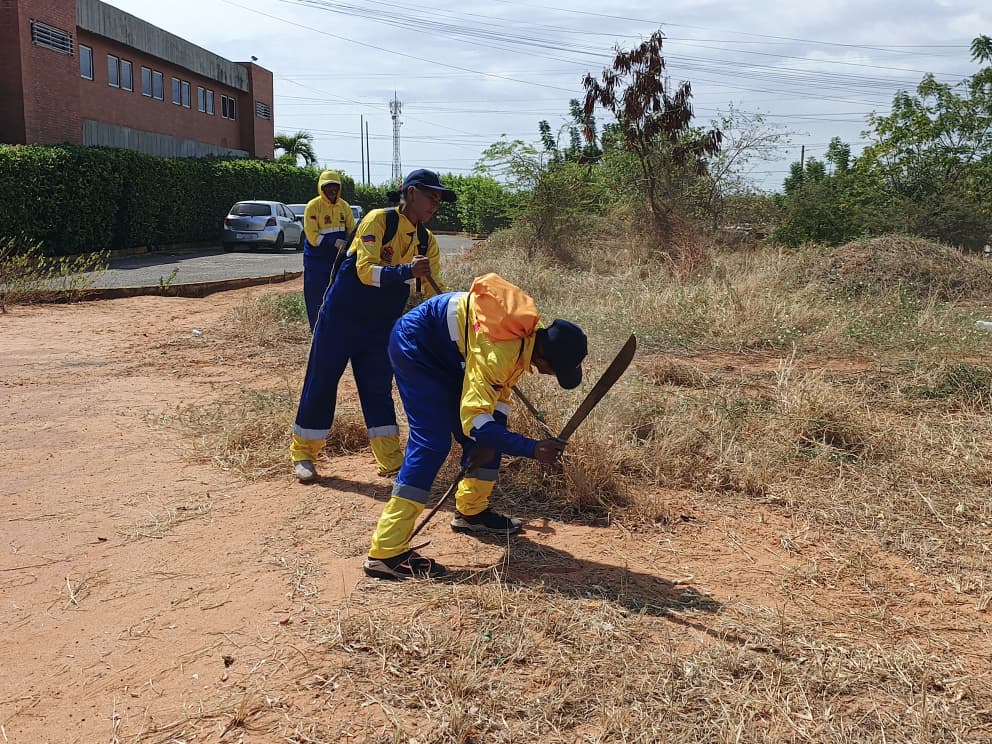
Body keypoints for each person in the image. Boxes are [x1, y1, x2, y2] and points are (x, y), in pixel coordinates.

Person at [363, 274, 588, 580]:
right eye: (555, 372)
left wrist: (491, 437)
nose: (551, 376)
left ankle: (471, 512)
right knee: (432, 443)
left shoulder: (527, 339)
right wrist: (532, 449)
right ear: (545, 361)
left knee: (494, 431)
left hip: (453, 355)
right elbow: (476, 422)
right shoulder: (502, 351)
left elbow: (496, 402)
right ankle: (386, 553)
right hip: (417, 346)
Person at [290, 169, 454, 482]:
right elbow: (366, 272)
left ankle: (391, 460)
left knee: (378, 388)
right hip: (341, 317)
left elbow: (434, 288)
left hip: (381, 325)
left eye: (439, 199)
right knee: (322, 381)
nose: (436, 204)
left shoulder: (425, 240)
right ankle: (304, 454)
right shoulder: (378, 220)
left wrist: (457, 311)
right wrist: (406, 270)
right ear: (409, 193)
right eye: (430, 196)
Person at [301, 170, 356, 331]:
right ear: (321, 188)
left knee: (340, 291)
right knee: (315, 294)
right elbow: (312, 236)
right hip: (316, 260)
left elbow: (352, 230)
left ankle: (337, 326)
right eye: (328, 186)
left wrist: (351, 245)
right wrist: (333, 242)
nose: (332, 190)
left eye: (335, 186)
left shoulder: (344, 206)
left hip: (338, 258)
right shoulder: (313, 206)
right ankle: (316, 327)